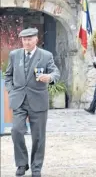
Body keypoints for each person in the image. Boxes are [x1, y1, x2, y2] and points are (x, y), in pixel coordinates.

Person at [4, 28, 60, 177]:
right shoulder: (14, 55)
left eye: (29, 39)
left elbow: (56, 73)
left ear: (36, 39)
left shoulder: (46, 56)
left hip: (38, 101)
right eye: (24, 39)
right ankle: (22, 164)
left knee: (38, 136)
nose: (26, 42)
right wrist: (11, 90)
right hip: (19, 100)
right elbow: (8, 75)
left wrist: (49, 77)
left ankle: (36, 167)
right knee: (16, 131)